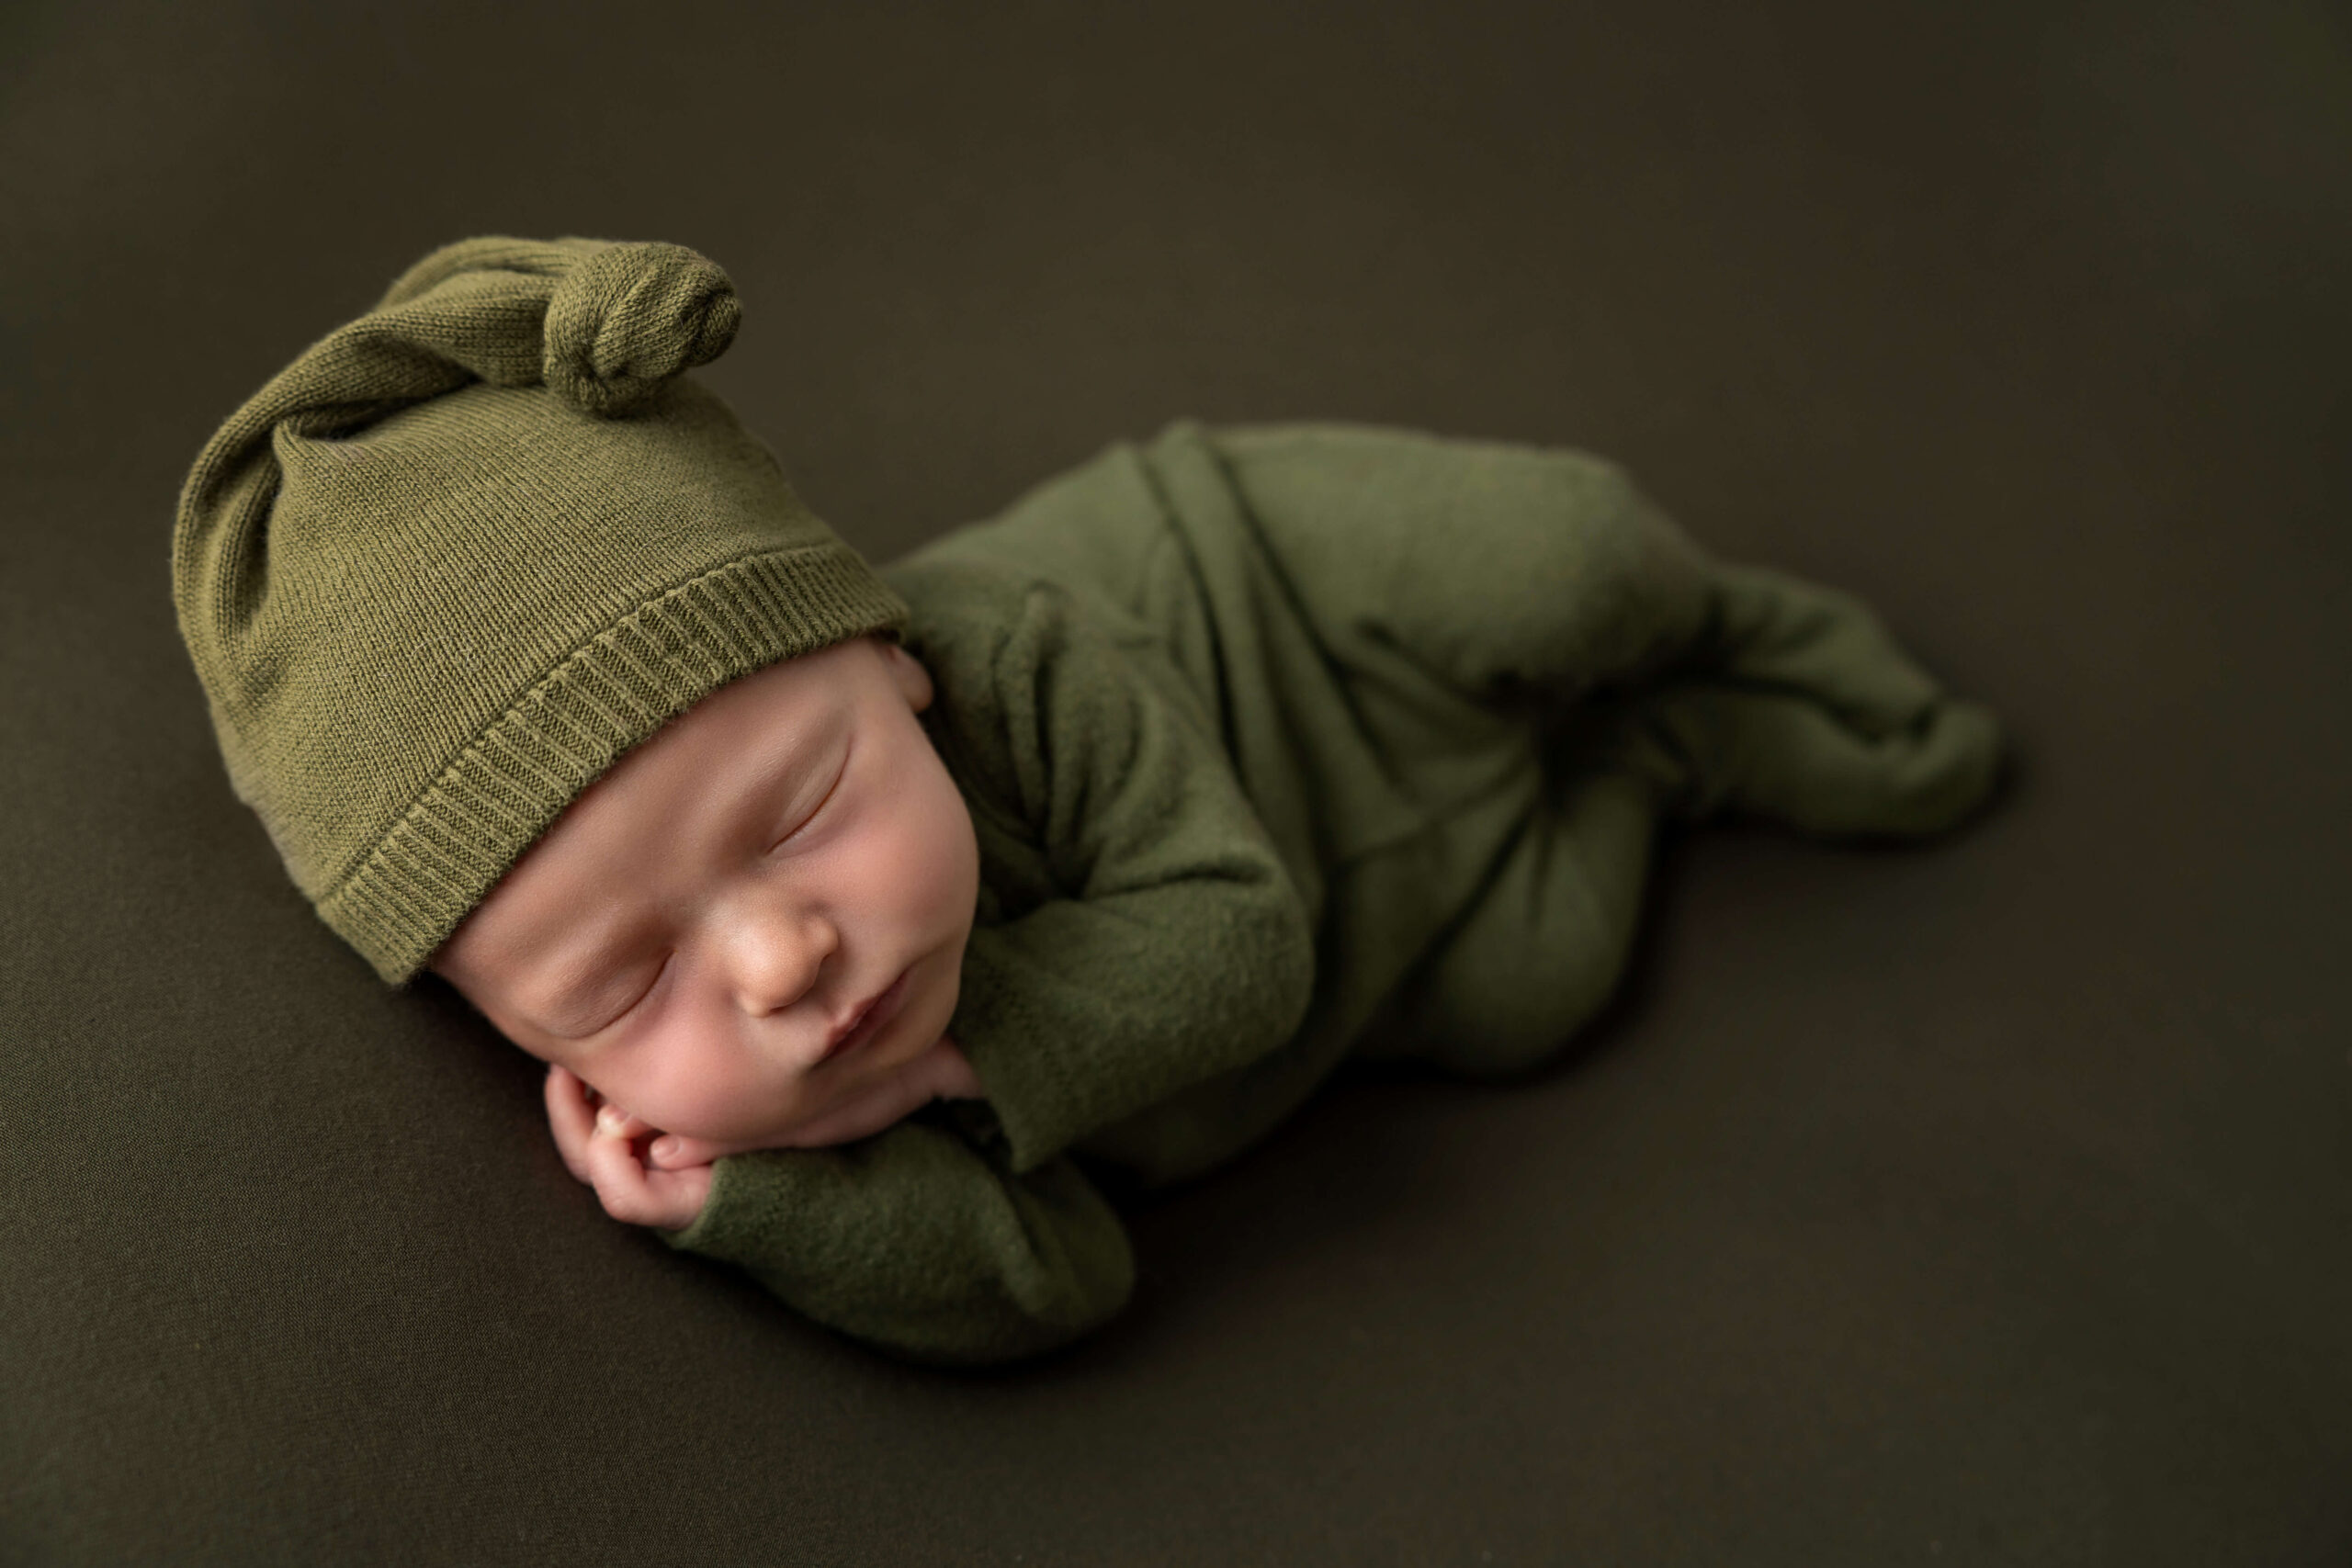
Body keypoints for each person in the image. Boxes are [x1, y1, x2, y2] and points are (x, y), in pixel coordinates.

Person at [172, 234, 2007, 1366]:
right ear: (516, 1034)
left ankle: (1718, 627)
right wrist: (761, 1212)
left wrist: (944, 1072)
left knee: (1561, 564)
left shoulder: (1007, 647)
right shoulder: (775, 1121)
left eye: (805, 802)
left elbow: (1241, 938)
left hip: (1280, 600)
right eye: (620, 981)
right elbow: (1063, 1277)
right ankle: (1672, 749)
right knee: (1542, 980)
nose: (781, 957)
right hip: (1406, 922)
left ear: (887, 660)